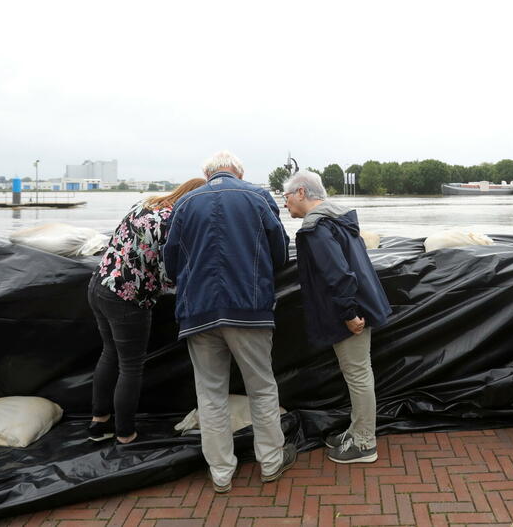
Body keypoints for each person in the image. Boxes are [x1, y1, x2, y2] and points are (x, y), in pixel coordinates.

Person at [162, 151, 293, 494]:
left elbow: (170, 259)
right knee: (262, 387)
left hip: (198, 312)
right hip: (249, 309)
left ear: (207, 173)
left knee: (210, 393)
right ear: (238, 171)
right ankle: (271, 462)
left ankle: (221, 472)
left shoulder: (186, 203)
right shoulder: (258, 197)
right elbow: (279, 251)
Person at [283, 170, 392, 464]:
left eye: (287, 196)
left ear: (302, 193)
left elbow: (337, 274)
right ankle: (357, 430)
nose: (285, 203)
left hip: (350, 313)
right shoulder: (337, 219)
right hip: (361, 306)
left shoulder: (316, 227)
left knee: (357, 374)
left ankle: (365, 443)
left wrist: (348, 313)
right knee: (358, 372)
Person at [87, 177, 206, 444]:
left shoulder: (144, 204)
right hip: (127, 297)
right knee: (131, 366)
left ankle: (99, 422)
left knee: (109, 353)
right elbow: (167, 276)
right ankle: (125, 433)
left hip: (99, 284)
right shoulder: (172, 222)